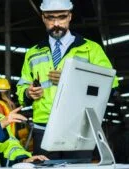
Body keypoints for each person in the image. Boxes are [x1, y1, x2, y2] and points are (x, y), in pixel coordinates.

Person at [16, 0, 119, 160]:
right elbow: (21, 87)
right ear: (43, 18)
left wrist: (71, 79)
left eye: (62, 17)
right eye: (50, 18)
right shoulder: (32, 53)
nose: (56, 23)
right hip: (43, 127)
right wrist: (28, 93)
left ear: (70, 16)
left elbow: (110, 85)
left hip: (78, 126)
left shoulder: (91, 49)